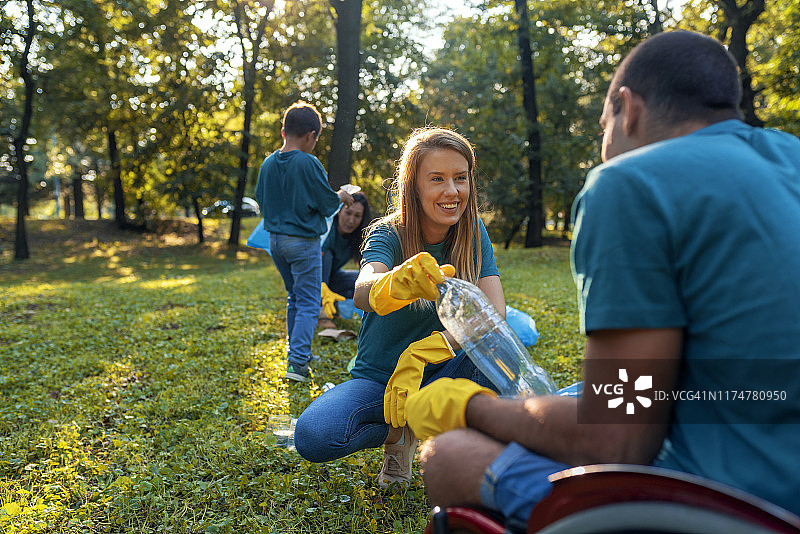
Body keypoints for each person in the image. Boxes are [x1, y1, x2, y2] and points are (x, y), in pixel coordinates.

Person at [402, 29, 800, 527]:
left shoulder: (630, 181)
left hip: (743, 505)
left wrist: (470, 407)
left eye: (602, 126)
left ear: (627, 109)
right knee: (569, 395)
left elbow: (616, 437)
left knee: (451, 453)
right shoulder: (790, 156)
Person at [294, 127, 505, 488]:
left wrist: (429, 349)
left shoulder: (472, 232)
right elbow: (363, 290)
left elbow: (495, 314)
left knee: (496, 356)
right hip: (381, 379)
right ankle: (401, 432)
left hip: (445, 372)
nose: (452, 191)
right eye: (437, 179)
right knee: (315, 435)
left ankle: (464, 450)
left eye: (460, 178)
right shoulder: (388, 232)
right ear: (413, 186)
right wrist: (395, 283)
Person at [255, 100, 354, 383]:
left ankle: (300, 352)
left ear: (283, 131)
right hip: (303, 242)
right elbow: (326, 204)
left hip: (276, 242)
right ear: (311, 135)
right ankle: (297, 363)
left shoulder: (268, 163)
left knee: (295, 298)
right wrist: (341, 196)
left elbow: (261, 199)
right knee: (310, 302)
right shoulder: (308, 162)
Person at [319, 192, 372, 328]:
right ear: (339, 211)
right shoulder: (327, 229)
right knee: (326, 256)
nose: (351, 220)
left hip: (333, 278)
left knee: (363, 281)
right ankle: (320, 312)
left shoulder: (358, 238)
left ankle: (334, 305)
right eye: (348, 213)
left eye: (357, 216)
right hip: (314, 280)